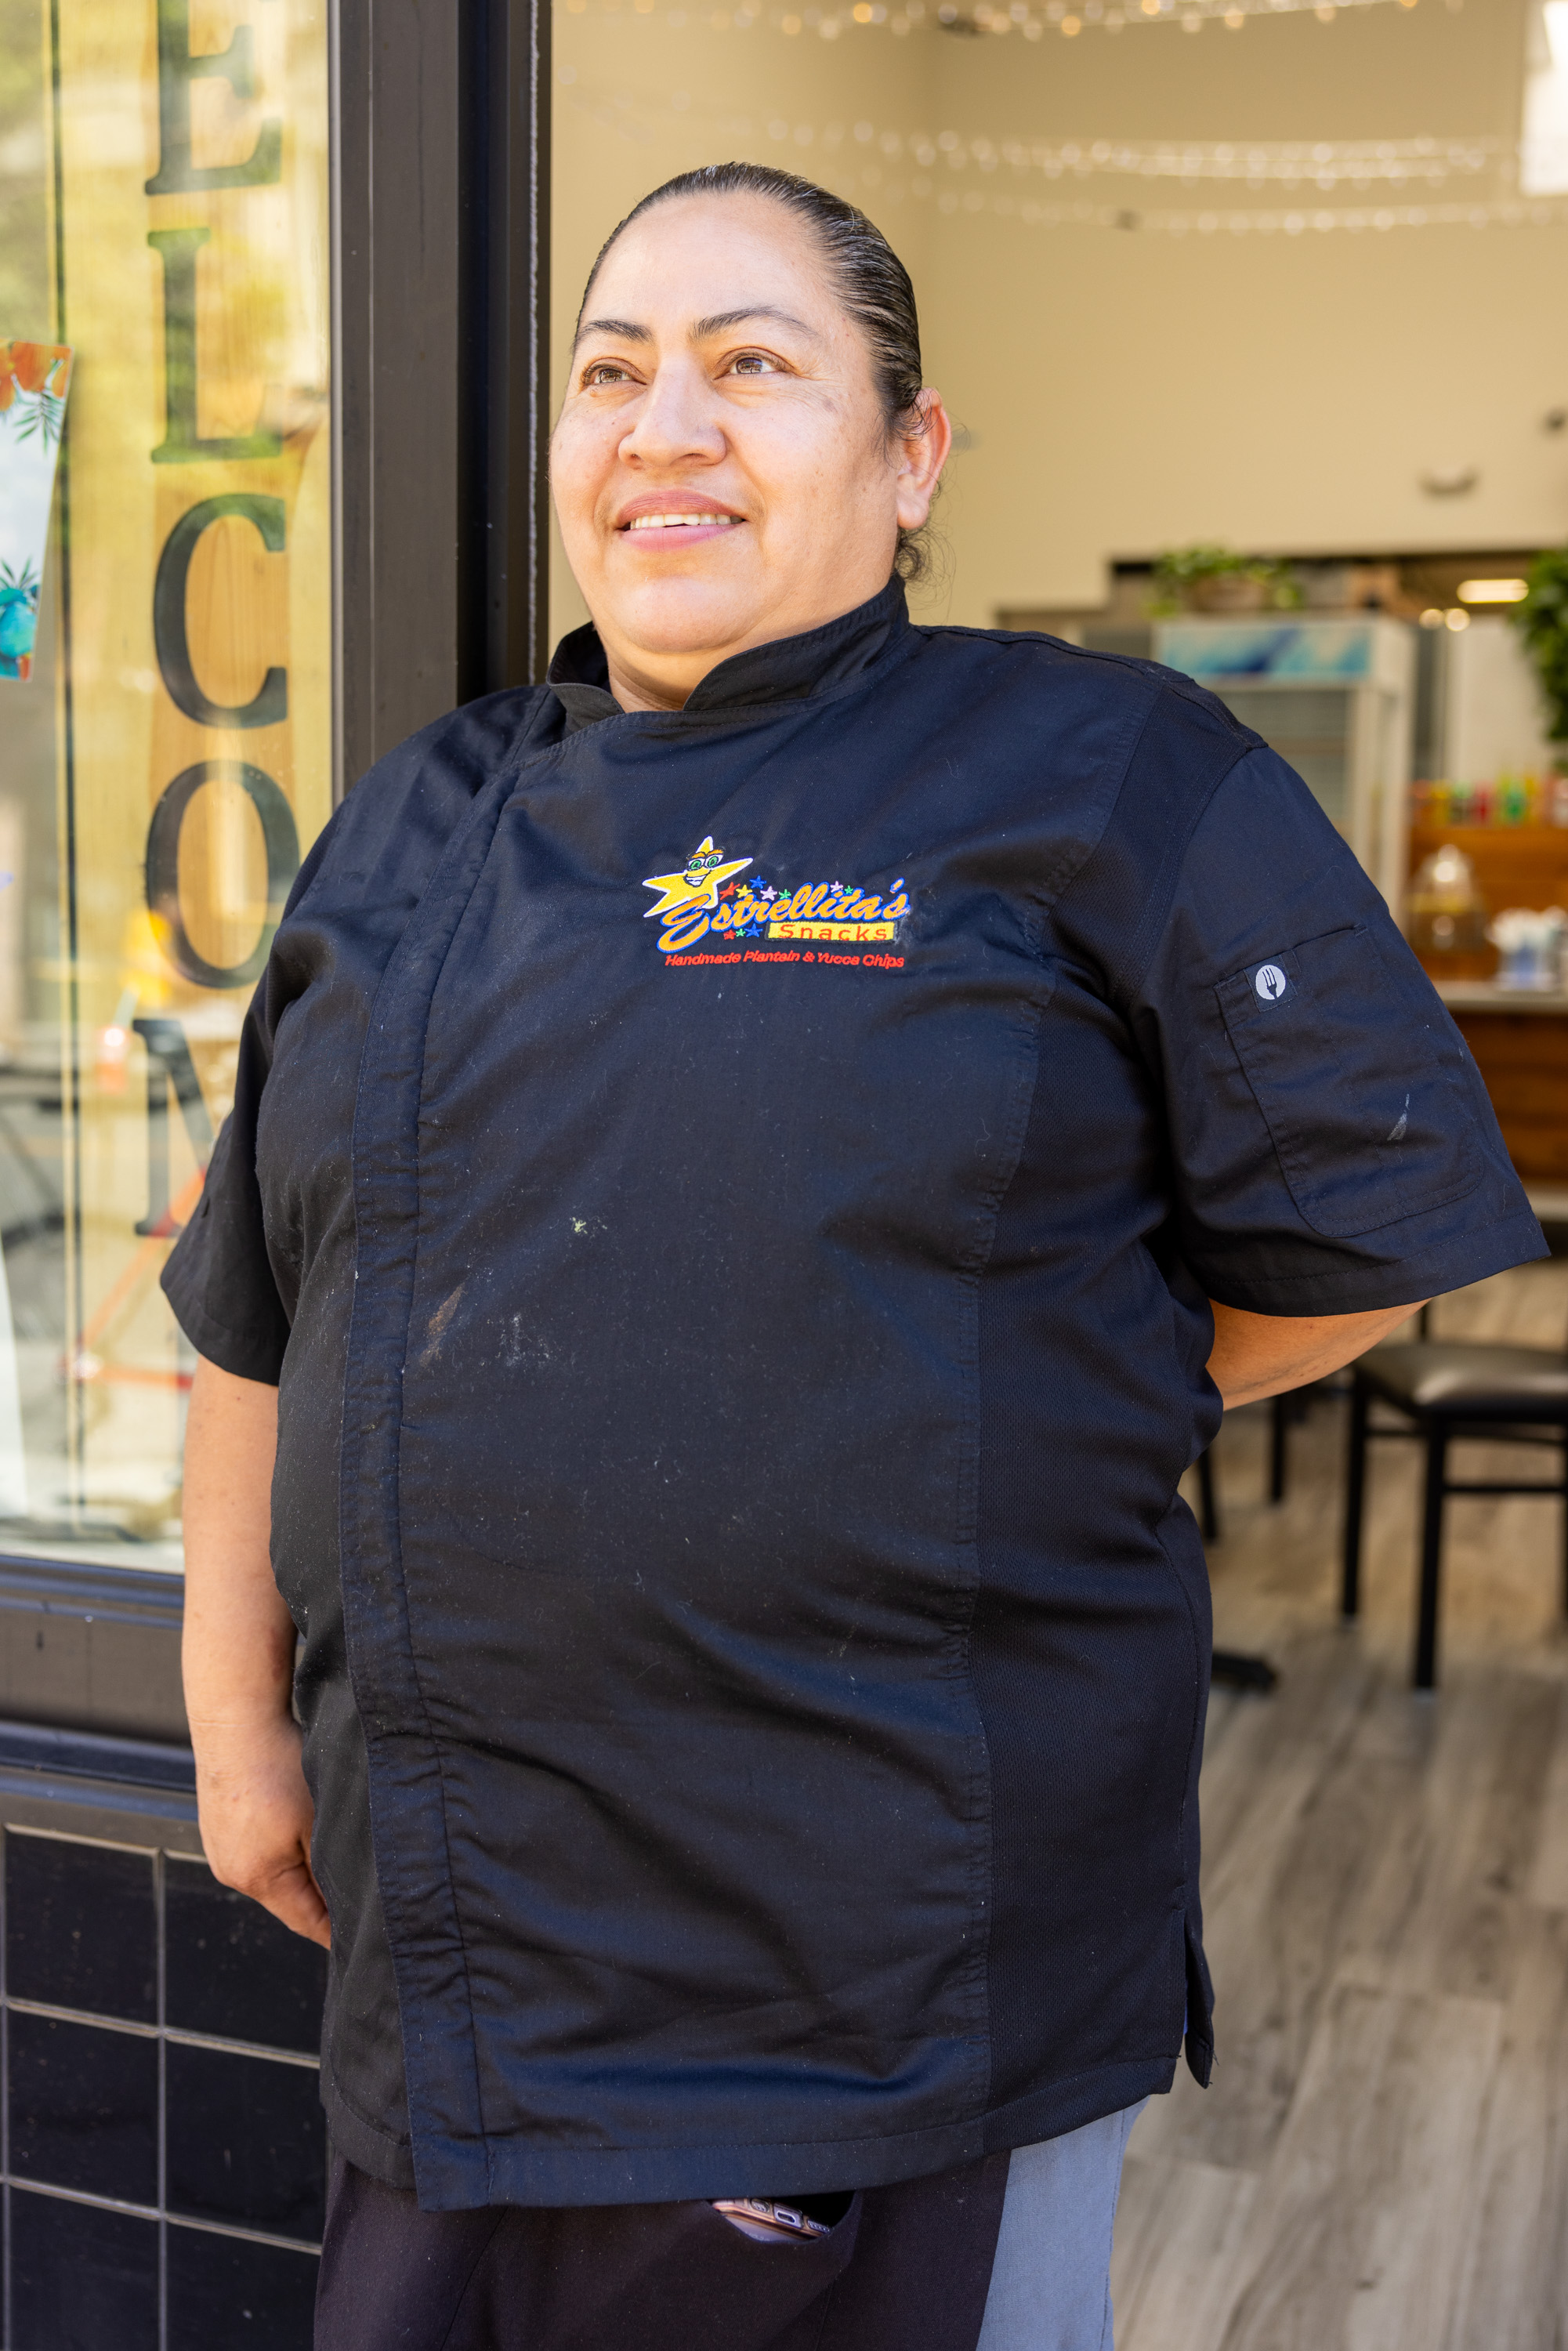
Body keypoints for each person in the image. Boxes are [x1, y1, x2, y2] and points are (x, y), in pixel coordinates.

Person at [169, 163, 1544, 2351]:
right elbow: (262, 1296)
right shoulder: (411, 816)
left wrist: (989, 1388)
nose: (666, 428)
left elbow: (1346, 1263)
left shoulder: (1104, 775)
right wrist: (232, 1719)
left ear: (909, 458)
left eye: (754, 367)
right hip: (446, 1933)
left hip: (869, 1960)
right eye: (612, 374)